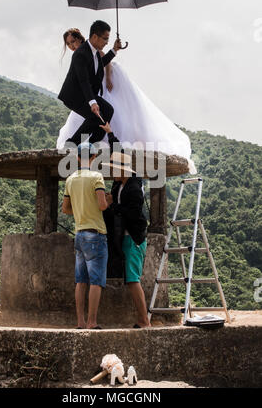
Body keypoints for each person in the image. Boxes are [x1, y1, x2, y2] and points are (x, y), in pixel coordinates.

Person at [56, 28, 197, 174]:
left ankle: (88, 143)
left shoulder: (91, 50)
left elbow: (104, 61)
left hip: (95, 89)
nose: (72, 46)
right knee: (98, 115)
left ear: (80, 39)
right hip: (85, 94)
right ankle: (83, 143)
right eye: (68, 44)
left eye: (73, 41)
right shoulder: (82, 54)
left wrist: (109, 75)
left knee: (105, 114)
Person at [101, 123, 151, 328]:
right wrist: (110, 134)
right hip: (124, 237)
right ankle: (143, 319)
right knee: (130, 279)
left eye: (114, 169)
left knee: (132, 279)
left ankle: (144, 320)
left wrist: (112, 206)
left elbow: (132, 212)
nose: (111, 172)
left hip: (134, 238)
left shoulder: (133, 188)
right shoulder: (120, 183)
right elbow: (119, 152)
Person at [62, 142, 112, 329]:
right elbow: (101, 206)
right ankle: (92, 322)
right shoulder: (96, 177)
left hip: (79, 233)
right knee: (96, 280)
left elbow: (65, 209)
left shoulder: (70, 179)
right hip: (96, 233)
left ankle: (80, 322)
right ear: (93, 157)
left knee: (80, 280)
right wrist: (107, 200)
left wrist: (81, 208)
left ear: (77, 157)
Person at [57, 21, 122, 146]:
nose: (106, 42)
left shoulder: (94, 51)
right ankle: (71, 144)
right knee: (95, 117)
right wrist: (93, 102)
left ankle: (92, 144)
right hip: (73, 95)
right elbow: (84, 80)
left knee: (108, 110)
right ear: (94, 37)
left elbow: (100, 64)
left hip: (84, 93)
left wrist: (114, 50)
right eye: (105, 39)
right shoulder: (80, 54)